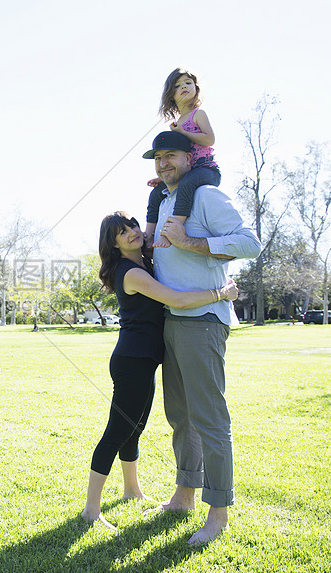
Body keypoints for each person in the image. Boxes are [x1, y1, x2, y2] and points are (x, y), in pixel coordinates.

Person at [81, 211, 239, 530]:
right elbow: (176, 300)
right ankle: (91, 510)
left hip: (144, 360)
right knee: (116, 432)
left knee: (134, 427)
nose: (132, 233)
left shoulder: (146, 262)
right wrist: (220, 294)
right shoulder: (130, 271)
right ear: (112, 244)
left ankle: (131, 490)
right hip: (132, 362)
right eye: (122, 233)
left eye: (133, 226)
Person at [144, 130, 260, 545]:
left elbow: (250, 243)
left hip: (204, 320)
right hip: (171, 321)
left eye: (171, 155)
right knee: (180, 416)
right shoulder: (166, 201)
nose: (163, 163)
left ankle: (218, 514)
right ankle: (184, 494)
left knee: (210, 420)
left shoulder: (207, 196)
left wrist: (191, 243)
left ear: (191, 157)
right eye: (157, 157)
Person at [144, 68, 220, 249]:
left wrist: (183, 132)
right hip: (189, 172)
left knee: (186, 185)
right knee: (156, 193)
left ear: (196, 88)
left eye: (188, 82)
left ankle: (172, 230)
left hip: (206, 170)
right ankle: (148, 236)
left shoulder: (198, 114)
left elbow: (209, 139)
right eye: (178, 86)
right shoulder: (178, 121)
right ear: (171, 95)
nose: (184, 87)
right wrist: (165, 174)